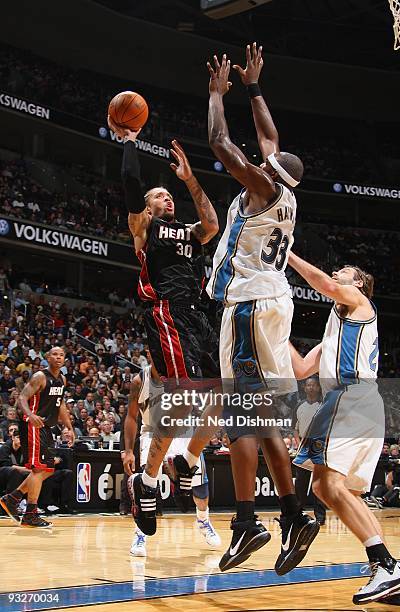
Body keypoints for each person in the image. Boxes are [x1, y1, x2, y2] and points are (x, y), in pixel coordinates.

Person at [180, 44, 317, 574]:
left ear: (272, 172)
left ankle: (247, 522)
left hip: (249, 307)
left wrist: (217, 94)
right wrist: (255, 88)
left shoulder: (261, 186)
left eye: (266, 159)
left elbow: (220, 142)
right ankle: (291, 514)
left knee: (240, 421)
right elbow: (269, 138)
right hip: (273, 304)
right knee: (265, 420)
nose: (263, 155)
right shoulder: (285, 186)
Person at [108, 115, 220, 534]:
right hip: (167, 313)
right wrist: (130, 142)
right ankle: (148, 482)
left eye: (169, 195)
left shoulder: (189, 232)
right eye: (160, 195)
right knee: (182, 399)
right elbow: (130, 187)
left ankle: (188, 461)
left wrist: (190, 179)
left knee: (224, 398)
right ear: (149, 206)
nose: (166, 199)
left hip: (199, 316)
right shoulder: (144, 227)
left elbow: (211, 224)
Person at [288, 253, 400, 605]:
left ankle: (386, 565)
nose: (336, 274)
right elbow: (303, 369)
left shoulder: (359, 300)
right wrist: (272, 330)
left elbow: (326, 285)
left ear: (357, 284)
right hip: (361, 403)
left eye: (344, 273)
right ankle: (387, 572)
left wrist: (286, 254)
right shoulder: (335, 328)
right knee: (335, 490)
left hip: (350, 398)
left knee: (327, 484)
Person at [123, 364, 221, 556]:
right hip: (152, 434)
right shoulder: (139, 381)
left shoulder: (181, 372)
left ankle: (203, 520)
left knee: (200, 487)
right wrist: (127, 450)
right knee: (146, 488)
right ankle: (141, 533)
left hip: (183, 432)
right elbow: (131, 417)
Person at [0, 346, 75, 528]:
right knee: (38, 470)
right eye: (54, 354)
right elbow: (22, 398)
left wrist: (69, 427)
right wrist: (30, 415)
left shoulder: (62, 379)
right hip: (33, 425)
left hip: (47, 427)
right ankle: (30, 514)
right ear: (47, 358)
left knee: (48, 470)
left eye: (61, 355)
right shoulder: (40, 377)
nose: (58, 357)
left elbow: (60, 404)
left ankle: (13, 498)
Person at [294, 377, 326, 524]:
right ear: (305, 388)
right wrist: (299, 444)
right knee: (300, 484)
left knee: (318, 484)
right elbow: (296, 429)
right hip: (303, 449)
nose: (311, 387)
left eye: (314, 385)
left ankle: (320, 517)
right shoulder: (300, 407)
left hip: (319, 449)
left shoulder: (324, 406)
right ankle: (298, 513)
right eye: (308, 385)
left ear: (319, 388)